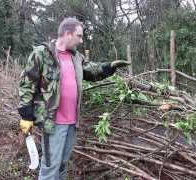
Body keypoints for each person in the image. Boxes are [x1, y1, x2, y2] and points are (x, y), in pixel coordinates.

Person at [18, 17, 130, 180]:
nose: (81, 40)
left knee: (63, 164)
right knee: (51, 167)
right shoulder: (42, 53)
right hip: (52, 122)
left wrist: (110, 67)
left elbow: (92, 71)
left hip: (72, 122)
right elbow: (27, 84)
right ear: (68, 34)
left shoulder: (76, 57)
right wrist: (26, 116)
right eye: (79, 36)